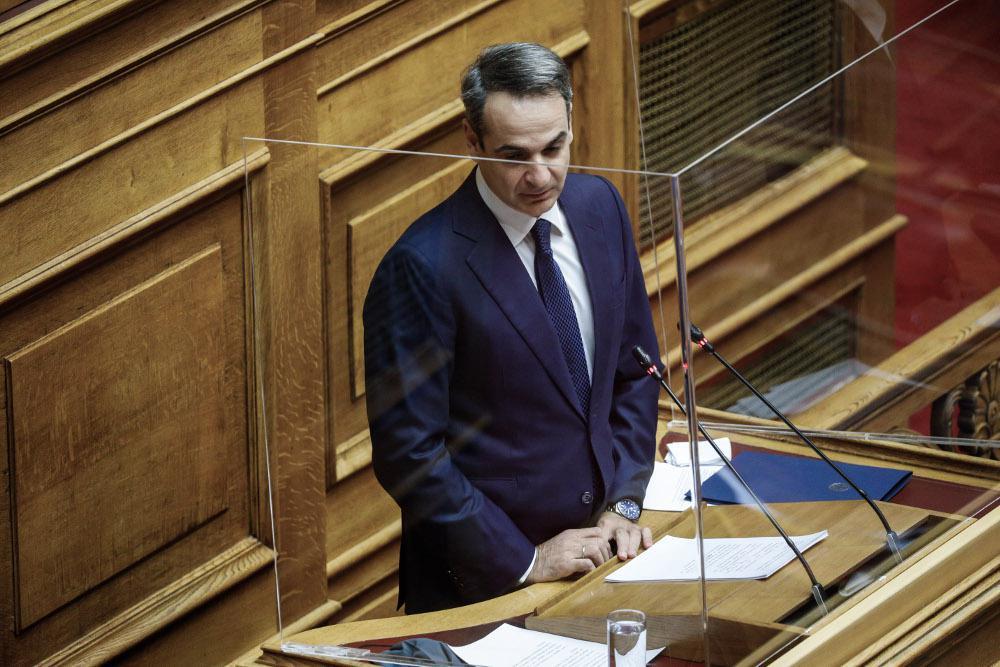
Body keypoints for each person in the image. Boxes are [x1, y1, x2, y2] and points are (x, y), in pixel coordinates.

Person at [363, 42, 660, 613]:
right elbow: (409, 454)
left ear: (571, 122)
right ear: (472, 142)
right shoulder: (422, 265)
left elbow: (635, 371)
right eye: (514, 155)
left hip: (607, 558)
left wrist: (623, 503)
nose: (541, 175)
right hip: (490, 585)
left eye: (554, 147)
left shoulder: (600, 206)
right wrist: (526, 560)